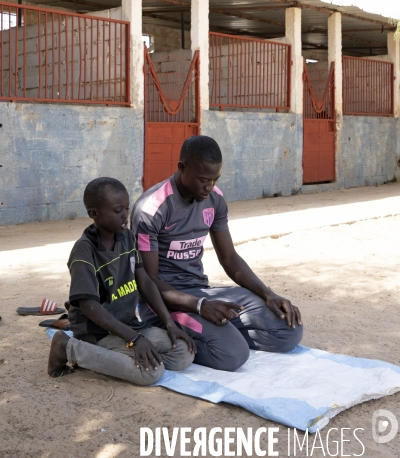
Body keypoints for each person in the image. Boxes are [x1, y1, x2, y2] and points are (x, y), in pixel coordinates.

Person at [131, 136, 303, 372]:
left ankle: (217, 333)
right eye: (204, 180)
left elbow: (229, 258)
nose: (209, 187)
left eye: (215, 179)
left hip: (201, 292)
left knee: (288, 329)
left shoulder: (215, 199)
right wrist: (200, 306)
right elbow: (148, 280)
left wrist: (268, 294)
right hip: (162, 303)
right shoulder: (151, 209)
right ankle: (167, 334)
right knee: (232, 354)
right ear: (182, 168)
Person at [48, 177, 195, 384]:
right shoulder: (84, 251)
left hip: (129, 325)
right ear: (94, 214)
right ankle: (67, 346)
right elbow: (89, 306)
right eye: (118, 211)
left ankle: (118, 357)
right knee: (151, 373)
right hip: (97, 333)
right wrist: (135, 340)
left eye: (126, 208)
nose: (125, 215)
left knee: (183, 353)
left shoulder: (127, 237)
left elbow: (144, 281)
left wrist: (169, 323)